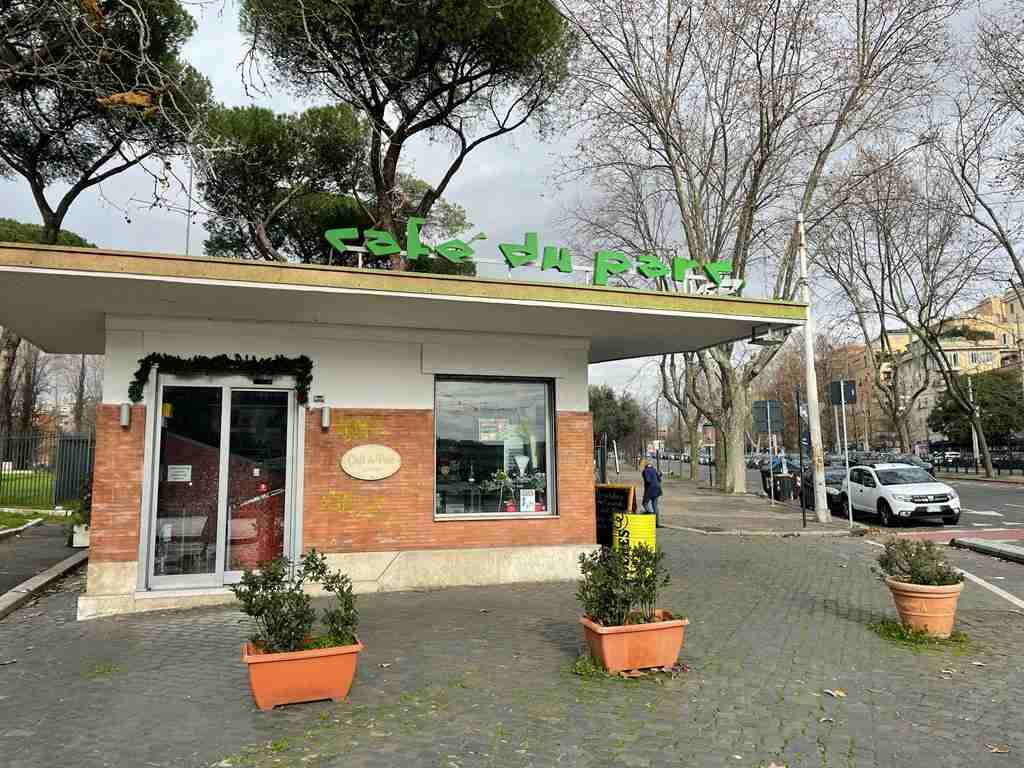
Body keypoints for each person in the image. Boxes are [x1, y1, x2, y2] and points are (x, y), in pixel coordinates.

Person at [642, 460, 664, 527]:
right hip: (657, 490)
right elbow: (659, 479)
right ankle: (656, 523)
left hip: (650, 490)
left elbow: (648, 480)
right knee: (655, 506)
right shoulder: (654, 469)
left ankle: (650, 515)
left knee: (645, 503)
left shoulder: (645, 471)